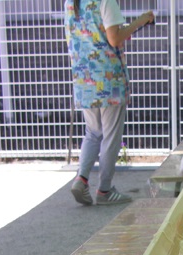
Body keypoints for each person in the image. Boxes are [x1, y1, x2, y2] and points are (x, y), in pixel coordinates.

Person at [65, 0, 154, 206]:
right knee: (111, 137)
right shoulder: (105, 1)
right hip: (109, 79)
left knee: (93, 132)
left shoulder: (71, 2)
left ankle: (81, 178)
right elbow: (114, 39)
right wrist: (140, 21)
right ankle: (104, 190)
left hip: (84, 78)